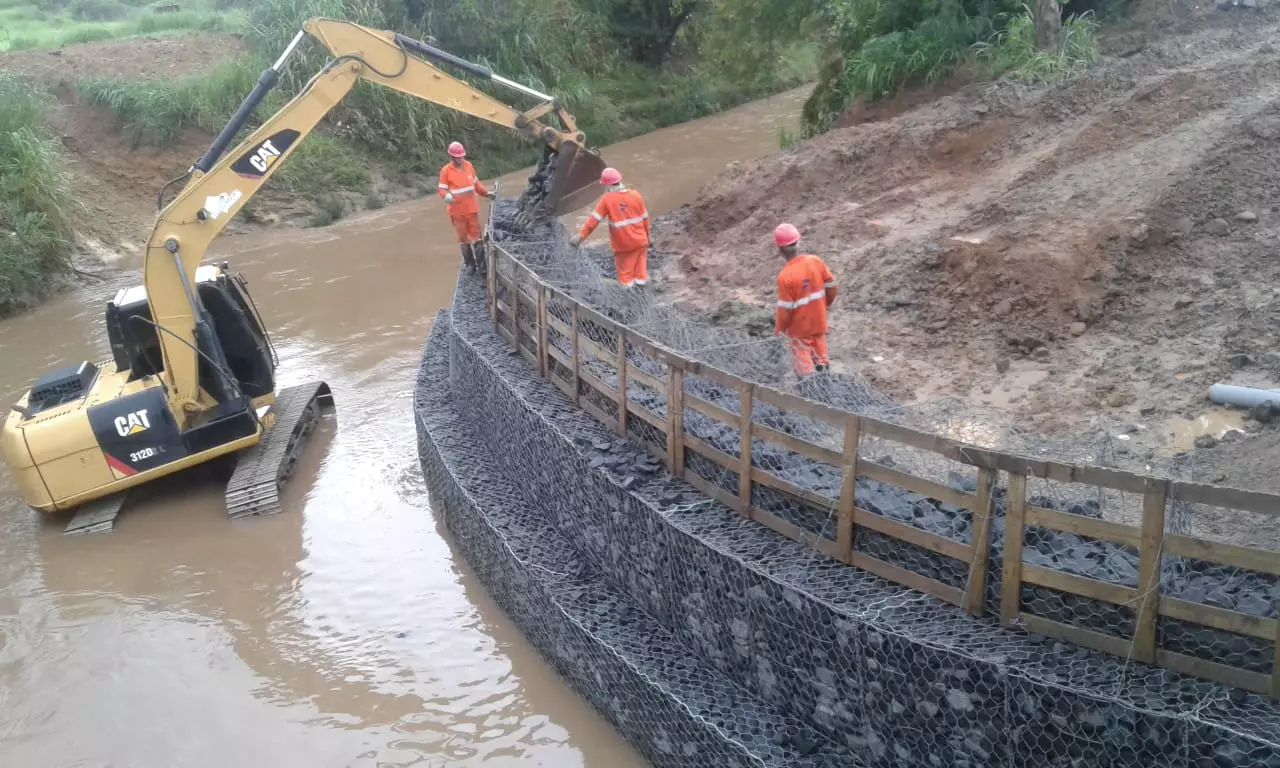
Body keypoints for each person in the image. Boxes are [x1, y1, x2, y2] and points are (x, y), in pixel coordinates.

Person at [569, 167, 651, 288]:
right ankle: (643, 293)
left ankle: (629, 299)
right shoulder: (636, 195)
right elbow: (645, 219)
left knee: (625, 276)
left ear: (607, 185)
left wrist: (581, 236)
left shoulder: (607, 199)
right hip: (641, 242)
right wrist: (649, 237)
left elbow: (593, 221)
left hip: (625, 246)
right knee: (640, 272)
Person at [773, 223, 837, 377]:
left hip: (800, 329)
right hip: (819, 321)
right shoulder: (815, 261)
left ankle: (808, 390)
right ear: (798, 242)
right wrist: (824, 304)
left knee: (804, 366)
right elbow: (832, 286)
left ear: (780, 250)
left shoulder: (785, 276)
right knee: (820, 353)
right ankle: (824, 382)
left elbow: (784, 311)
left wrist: (779, 331)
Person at [438, 141, 494, 273]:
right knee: (463, 239)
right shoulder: (446, 171)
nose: (461, 159)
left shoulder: (469, 166)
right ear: (452, 157)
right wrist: (446, 196)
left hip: (471, 210)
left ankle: (482, 265)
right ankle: (470, 265)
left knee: (477, 237)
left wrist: (486, 193)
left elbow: (476, 184)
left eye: (462, 156)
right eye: (458, 157)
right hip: (457, 212)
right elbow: (442, 189)